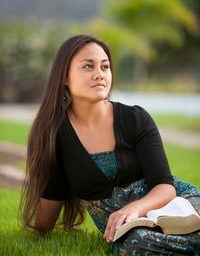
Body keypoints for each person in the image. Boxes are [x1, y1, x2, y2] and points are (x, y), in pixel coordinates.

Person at [20, 35, 200, 255]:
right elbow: (52, 196)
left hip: (176, 208)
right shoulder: (56, 134)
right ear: (64, 77)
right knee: (137, 244)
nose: (99, 74)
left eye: (105, 67)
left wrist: (134, 208)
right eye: (88, 66)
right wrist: (39, 232)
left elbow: (165, 186)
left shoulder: (135, 118)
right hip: (136, 233)